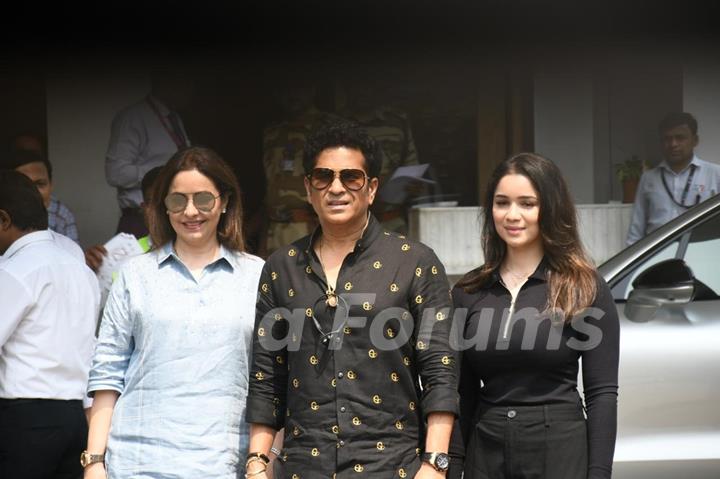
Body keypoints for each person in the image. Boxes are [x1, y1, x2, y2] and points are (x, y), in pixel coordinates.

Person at [246, 121, 458, 478]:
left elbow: (440, 370)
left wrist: (434, 465)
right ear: (308, 189)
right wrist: (257, 462)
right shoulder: (281, 267)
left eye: (351, 178)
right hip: (303, 466)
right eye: (323, 177)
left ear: (372, 188)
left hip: (392, 465)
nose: (336, 188)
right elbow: (268, 375)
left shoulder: (414, 261)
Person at [83, 147, 264, 478]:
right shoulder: (134, 274)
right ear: (163, 206)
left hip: (224, 463)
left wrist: (261, 460)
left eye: (203, 199)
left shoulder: (257, 276)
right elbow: (107, 372)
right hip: (139, 462)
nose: (190, 211)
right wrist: (94, 461)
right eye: (177, 200)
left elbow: (269, 379)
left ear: (224, 201)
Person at [450, 153, 619, 479]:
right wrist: (452, 468)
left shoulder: (583, 286)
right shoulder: (468, 292)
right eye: (502, 203)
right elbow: (462, 395)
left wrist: (599, 474)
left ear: (550, 209)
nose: (512, 215)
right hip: (486, 451)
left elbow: (602, 395)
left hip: (559, 448)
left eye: (527, 203)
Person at [0, 170, 100, 479]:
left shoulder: (14, 270)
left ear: (3, 220)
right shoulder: (80, 269)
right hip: (76, 417)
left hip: (25, 418)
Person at [260, 80, 342, 255]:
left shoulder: (330, 126)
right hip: (275, 231)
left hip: (313, 228)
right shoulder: (273, 131)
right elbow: (270, 189)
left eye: (299, 87)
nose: (292, 95)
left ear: (312, 90)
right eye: (285, 89)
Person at [105, 73, 192, 237]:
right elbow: (115, 173)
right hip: (142, 220)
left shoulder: (175, 118)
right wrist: (164, 172)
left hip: (172, 216)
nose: (190, 88)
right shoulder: (133, 117)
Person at [339, 75, 422, 234]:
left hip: (391, 221)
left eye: (368, 85)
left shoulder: (396, 123)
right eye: (357, 85)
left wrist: (409, 186)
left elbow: (413, 170)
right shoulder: (335, 123)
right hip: (346, 224)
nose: (363, 91)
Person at [627, 112, 720, 244]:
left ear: (695, 140)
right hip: (657, 254)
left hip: (700, 252)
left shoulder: (715, 174)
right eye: (667, 139)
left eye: (680, 138)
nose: (673, 144)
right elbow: (636, 230)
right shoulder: (648, 179)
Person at [84, 166, 163, 273]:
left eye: (166, 201)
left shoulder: (192, 251)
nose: (159, 209)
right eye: (151, 202)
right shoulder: (121, 253)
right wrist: (88, 271)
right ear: (143, 209)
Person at [5, 147, 80, 243]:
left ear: (51, 185)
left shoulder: (61, 215)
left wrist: (87, 257)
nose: (34, 192)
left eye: (40, 184)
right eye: (25, 185)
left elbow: (72, 255)